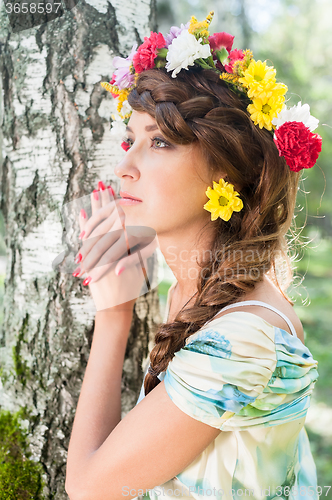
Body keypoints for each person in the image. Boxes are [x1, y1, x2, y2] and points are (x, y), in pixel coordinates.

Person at [65, 11, 322, 500]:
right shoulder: (192, 292)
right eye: (131, 139)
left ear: (224, 171)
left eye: (159, 141)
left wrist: (115, 317)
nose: (125, 166)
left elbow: (86, 489)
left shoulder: (242, 339)